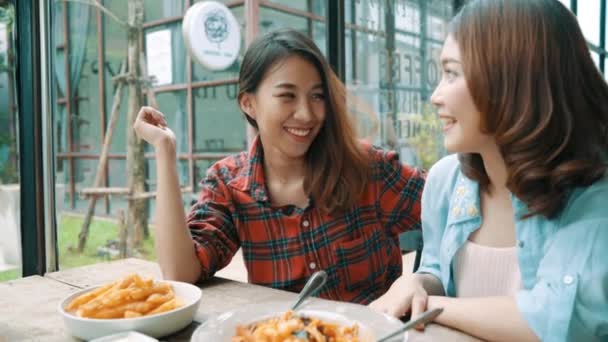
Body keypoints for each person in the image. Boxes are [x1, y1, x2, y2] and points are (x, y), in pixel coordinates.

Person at [369, 0, 608, 341]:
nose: (436, 95)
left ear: (510, 80)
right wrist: (418, 283)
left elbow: (559, 320)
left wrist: (436, 305)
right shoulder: (446, 180)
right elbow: (436, 269)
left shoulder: (594, 195)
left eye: (452, 73)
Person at [133, 29, 425, 304]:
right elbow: (181, 272)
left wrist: (425, 279)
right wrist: (165, 150)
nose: (306, 113)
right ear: (249, 103)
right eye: (287, 96)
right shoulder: (229, 184)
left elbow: (454, 207)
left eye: (317, 96)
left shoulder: (367, 169)